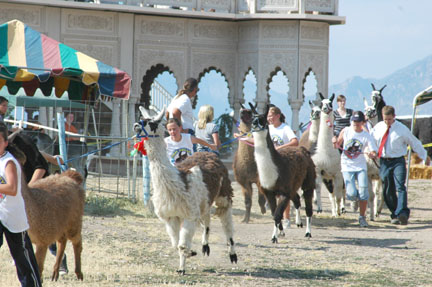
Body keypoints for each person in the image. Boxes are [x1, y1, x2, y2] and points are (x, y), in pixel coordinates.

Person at [371, 105, 430, 225]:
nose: (387, 122)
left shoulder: (402, 129)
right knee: (387, 189)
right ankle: (394, 213)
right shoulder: (378, 127)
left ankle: (402, 213)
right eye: (385, 119)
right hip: (384, 161)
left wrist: (424, 155)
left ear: (394, 117)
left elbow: (414, 142)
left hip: (398, 161)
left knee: (400, 186)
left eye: (389, 119)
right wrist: (371, 150)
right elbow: (370, 140)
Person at [0, 123, 42, 287]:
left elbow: (11, 188)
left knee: (22, 260)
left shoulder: (8, 162)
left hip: (13, 217)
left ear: (5, 143)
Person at [336, 111, 378, 227]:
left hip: (360, 166)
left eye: (358, 121)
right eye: (354, 121)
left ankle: (362, 217)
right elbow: (337, 144)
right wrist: (334, 141)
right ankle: (354, 199)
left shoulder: (366, 135)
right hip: (347, 165)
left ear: (362, 122)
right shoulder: (346, 131)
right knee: (351, 193)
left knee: (364, 192)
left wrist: (372, 154)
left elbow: (373, 149)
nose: (356, 124)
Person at [266, 105, 298, 229]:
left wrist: (279, 148)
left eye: (270, 116)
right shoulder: (267, 128)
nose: (269, 118)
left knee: (284, 193)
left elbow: (295, 141)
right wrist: (243, 138)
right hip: (270, 163)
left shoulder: (285, 128)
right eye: (268, 116)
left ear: (277, 116)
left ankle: (287, 219)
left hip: (283, 163)